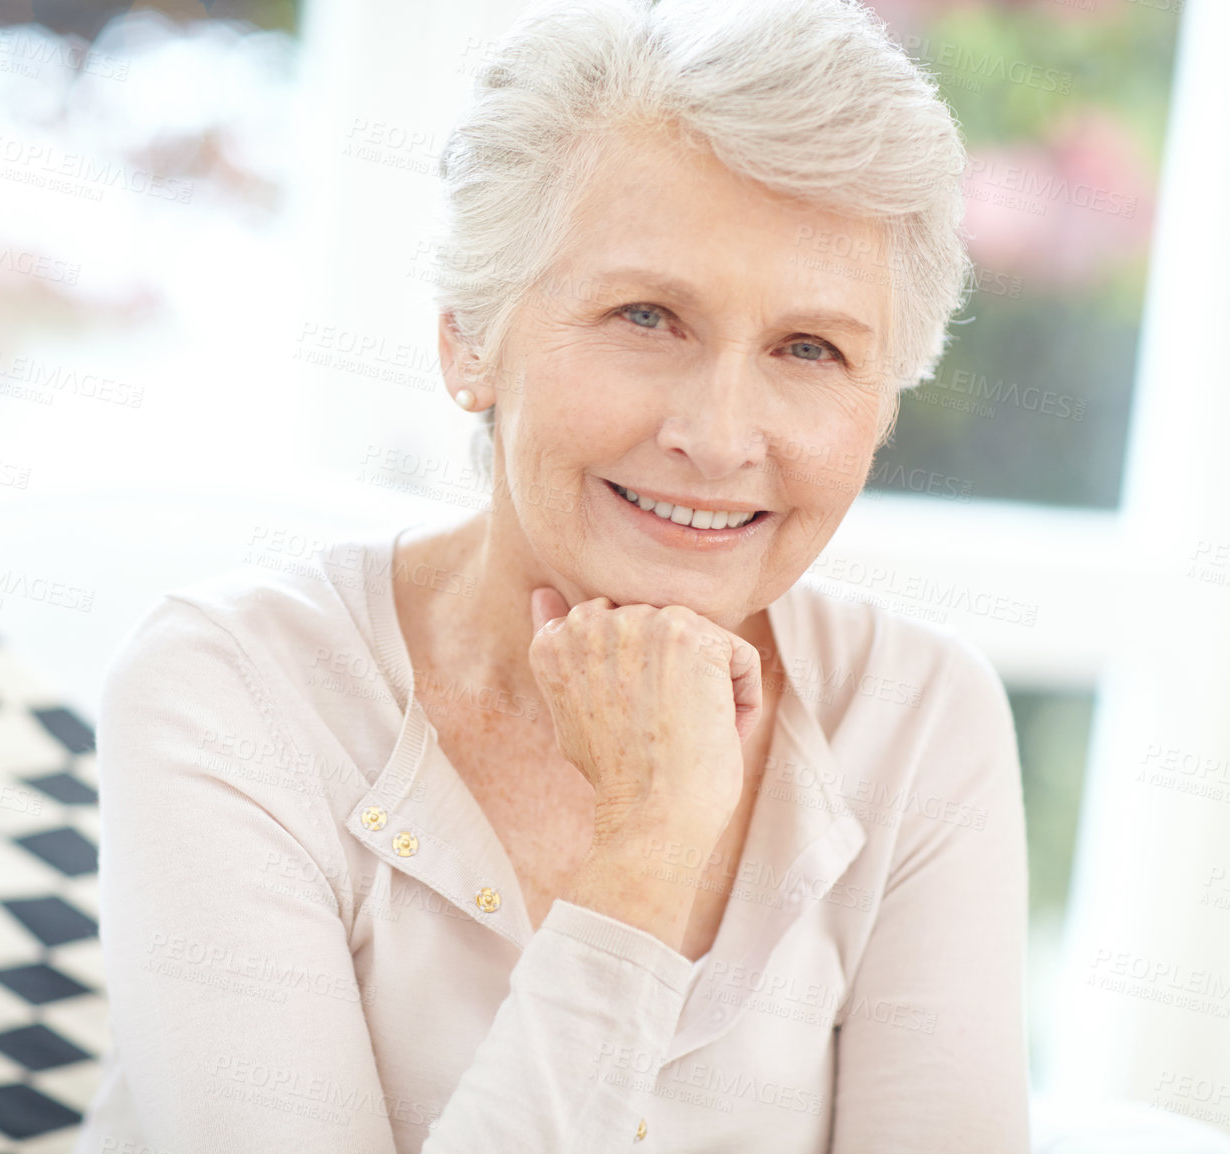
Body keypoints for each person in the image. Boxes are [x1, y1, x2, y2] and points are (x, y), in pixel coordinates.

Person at [74, 0, 1030, 1149]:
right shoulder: (230, 692)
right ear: (469, 338)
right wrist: (646, 847)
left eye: (809, 348)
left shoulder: (918, 714)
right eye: (646, 316)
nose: (721, 436)